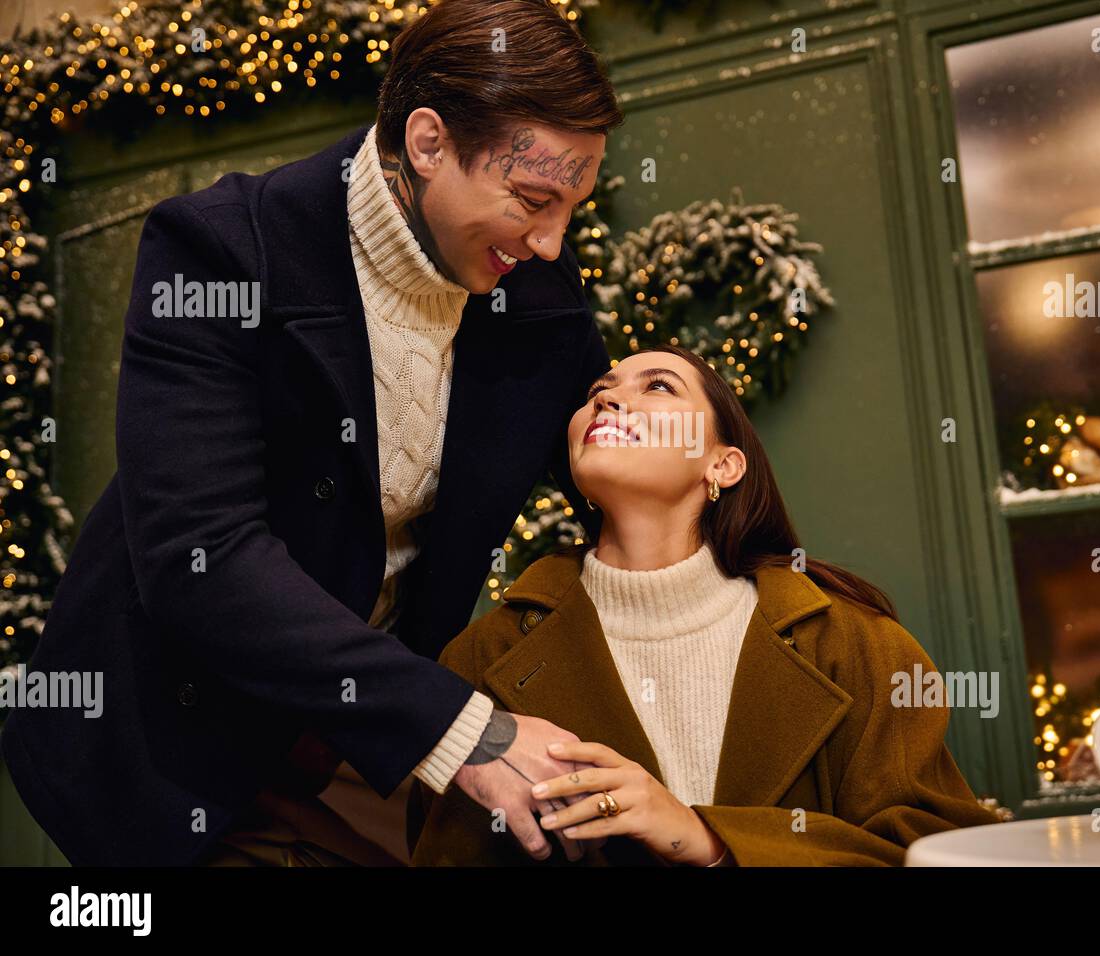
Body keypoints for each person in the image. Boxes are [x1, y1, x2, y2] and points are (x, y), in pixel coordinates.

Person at [1, 0, 625, 866]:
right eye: (531, 199)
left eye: (575, 207)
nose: (555, 242)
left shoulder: (535, 291)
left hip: (364, 736)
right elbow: (204, 557)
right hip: (172, 741)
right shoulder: (220, 251)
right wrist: (462, 731)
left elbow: (620, 478)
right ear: (429, 142)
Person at [410, 346, 1002, 866]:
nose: (609, 402)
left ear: (723, 464)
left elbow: (934, 852)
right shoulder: (483, 658)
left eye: (658, 386)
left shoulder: (857, 644)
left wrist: (709, 839)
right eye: (598, 392)